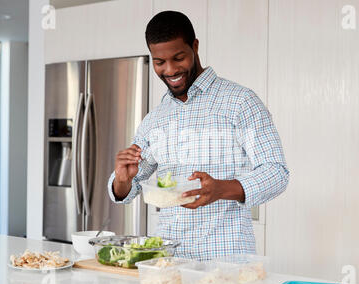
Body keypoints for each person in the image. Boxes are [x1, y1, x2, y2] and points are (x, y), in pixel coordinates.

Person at [108, 11, 289, 260]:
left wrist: (221, 189)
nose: (170, 70)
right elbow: (128, 189)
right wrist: (122, 179)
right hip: (168, 261)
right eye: (160, 62)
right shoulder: (154, 120)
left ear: (195, 46)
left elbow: (276, 172)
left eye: (178, 58)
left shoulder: (240, 102)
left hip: (226, 261)